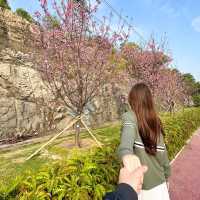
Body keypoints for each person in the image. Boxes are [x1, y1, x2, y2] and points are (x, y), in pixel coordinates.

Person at [118, 83, 171, 200]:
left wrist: (125, 154)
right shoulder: (155, 122)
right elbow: (164, 157)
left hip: (140, 188)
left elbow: (125, 143)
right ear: (149, 101)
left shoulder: (130, 117)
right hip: (160, 186)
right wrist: (167, 177)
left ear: (132, 100)